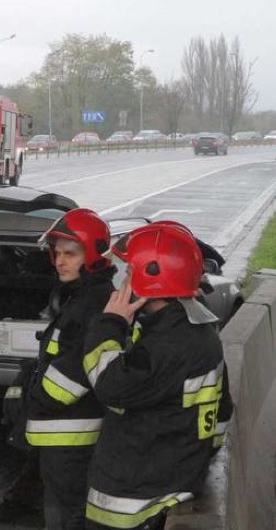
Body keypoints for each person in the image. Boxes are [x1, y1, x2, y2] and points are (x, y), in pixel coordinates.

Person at [82, 222, 233, 530]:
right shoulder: (193, 328)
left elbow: (110, 385)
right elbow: (223, 410)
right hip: (169, 479)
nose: (123, 280)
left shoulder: (166, 345)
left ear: (150, 276)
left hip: (136, 499)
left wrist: (110, 323)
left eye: (128, 271)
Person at [4, 208, 116, 529]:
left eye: (70, 253)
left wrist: (28, 401)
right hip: (65, 440)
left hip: (71, 442)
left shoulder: (92, 304)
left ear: (93, 255)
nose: (59, 261)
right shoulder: (84, 296)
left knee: (66, 517)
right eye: (56, 253)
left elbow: (65, 383)